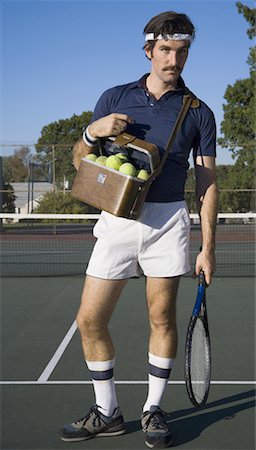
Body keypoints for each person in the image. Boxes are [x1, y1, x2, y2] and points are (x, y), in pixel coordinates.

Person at [59, 10, 218, 449]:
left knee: (161, 316)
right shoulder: (114, 97)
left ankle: (153, 409)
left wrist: (208, 247)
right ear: (148, 50)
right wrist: (92, 133)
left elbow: (206, 182)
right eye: (165, 50)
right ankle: (107, 412)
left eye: (182, 51)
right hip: (117, 220)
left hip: (168, 221)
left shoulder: (199, 112)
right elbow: (81, 164)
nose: (174, 59)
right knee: (89, 319)